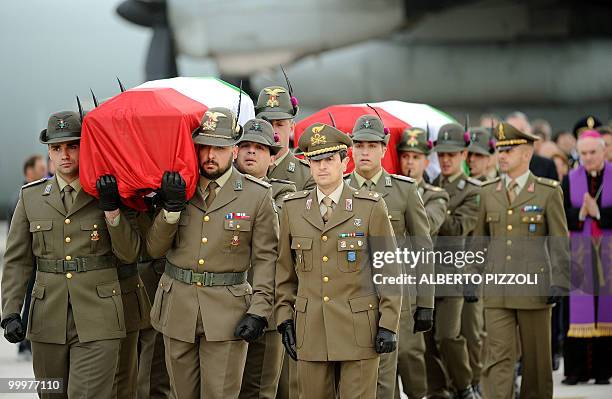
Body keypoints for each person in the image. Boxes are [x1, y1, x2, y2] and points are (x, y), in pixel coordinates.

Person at [1, 110, 141, 399]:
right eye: (56, 148)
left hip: (99, 316)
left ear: (85, 146)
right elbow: (17, 261)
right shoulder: (30, 197)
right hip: (47, 318)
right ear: (49, 153)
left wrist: (113, 209)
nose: (64, 155)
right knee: (52, 394)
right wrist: (10, 311)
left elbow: (129, 253)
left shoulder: (108, 193)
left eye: (72, 146)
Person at [145, 107, 278, 399]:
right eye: (204, 146)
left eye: (218, 147)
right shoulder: (180, 188)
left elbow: (267, 259)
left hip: (227, 314)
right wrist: (170, 209)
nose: (209, 155)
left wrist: (260, 310)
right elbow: (154, 248)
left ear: (233, 148)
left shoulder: (256, 195)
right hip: (178, 308)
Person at [275, 123, 402, 399]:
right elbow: (285, 274)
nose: (322, 167)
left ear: (345, 162)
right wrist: (284, 319)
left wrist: (389, 324)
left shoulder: (370, 207)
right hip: (311, 332)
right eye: (315, 160)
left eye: (329, 159)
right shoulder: (292, 208)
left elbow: (389, 270)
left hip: (359, 331)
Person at [471, 122, 570, 399]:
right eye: (500, 149)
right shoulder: (487, 191)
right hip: (497, 289)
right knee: (496, 358)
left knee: (537, 362)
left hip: (534, 290)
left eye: (509, 150)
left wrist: (560, 280)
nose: (501, 155)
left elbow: (559, 240)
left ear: (527, 154)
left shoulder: (548, 191)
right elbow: (480, 240)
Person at [344, 115, 433, 398]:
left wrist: (426, 303)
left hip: (397, 296)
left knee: (401, 363)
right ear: (352, 150)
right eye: (359, 145)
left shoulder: (404, 191)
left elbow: (423, 248)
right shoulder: (341, 189)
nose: (365, 152)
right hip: (351, 296)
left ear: (384, 150)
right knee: (362, 374)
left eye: (372, 145)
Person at [234, 118, 296, 399]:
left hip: (268, 307)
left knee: (260, 390)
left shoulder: (284, 193)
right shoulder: (221, 192)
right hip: (226, 304)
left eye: (259, 148)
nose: (250, 152)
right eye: (244, 145)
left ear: (272, 159)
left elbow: (278, 226)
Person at [427, 123, 481, 399]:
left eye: (452, 154)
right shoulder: (429, 186)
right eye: (442, 154)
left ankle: (465, 386)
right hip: (426, 274)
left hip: (453, 274)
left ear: (463, 155)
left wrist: (433, 209)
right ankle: (439, 390)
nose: (446, 160)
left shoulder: (472, 190)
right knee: (427, 341)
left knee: (448, 336)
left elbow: (458, 228)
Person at [395, 126, 449, 398]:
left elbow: (429, 224)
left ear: (427, 161)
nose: (410, 162)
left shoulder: (436, 195)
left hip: (424, 279)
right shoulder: (389, 190)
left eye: (416, 157)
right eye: (405, 156)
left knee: (416, 352)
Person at [561, 130, 612, 385]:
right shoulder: (570, 179)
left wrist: (600, 214)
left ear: (604, 151)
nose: (588, 158)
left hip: (608, 253)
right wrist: (581, 213)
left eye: (593, 152)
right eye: (583, 153)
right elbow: (560, 213)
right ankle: (576, 370)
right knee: (578, 310)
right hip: (580, 253)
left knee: (606, 307)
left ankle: (604, 370)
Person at [6, 154, 48, 358]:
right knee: (31, 298)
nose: (44, 172)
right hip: (30, 260)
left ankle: (25, 342)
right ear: (29, 172)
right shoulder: (23, 197)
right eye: (40, 169)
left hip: (35, 259)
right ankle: (25, 341)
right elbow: (17, 238)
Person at [255, 86, 315, 191]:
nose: (273, 131)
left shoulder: (307, 175)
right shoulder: (243, 167)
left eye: (279, 124)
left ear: (292, 128)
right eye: (267, 123)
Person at [506, 112, 558, 181]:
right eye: (512, 131)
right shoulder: (498, 165)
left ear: (529, 133)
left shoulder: (547, 166)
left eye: (521, 130)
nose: (517, 135)